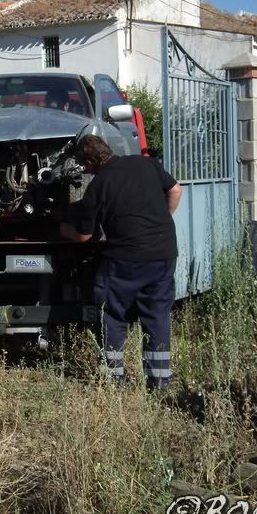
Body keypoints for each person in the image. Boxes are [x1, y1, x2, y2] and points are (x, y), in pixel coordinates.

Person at [60, 135, 183, 389]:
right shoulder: (145, 163)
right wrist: (162, 220)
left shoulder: (99, 185)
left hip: (126, 259)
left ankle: (113, 379)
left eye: (85, 165)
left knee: (112, 313)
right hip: (164, 252)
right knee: (157, 314)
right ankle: (160, 381)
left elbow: (84, 236)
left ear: (91, 162)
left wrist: (64, 230)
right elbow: (175, 189)